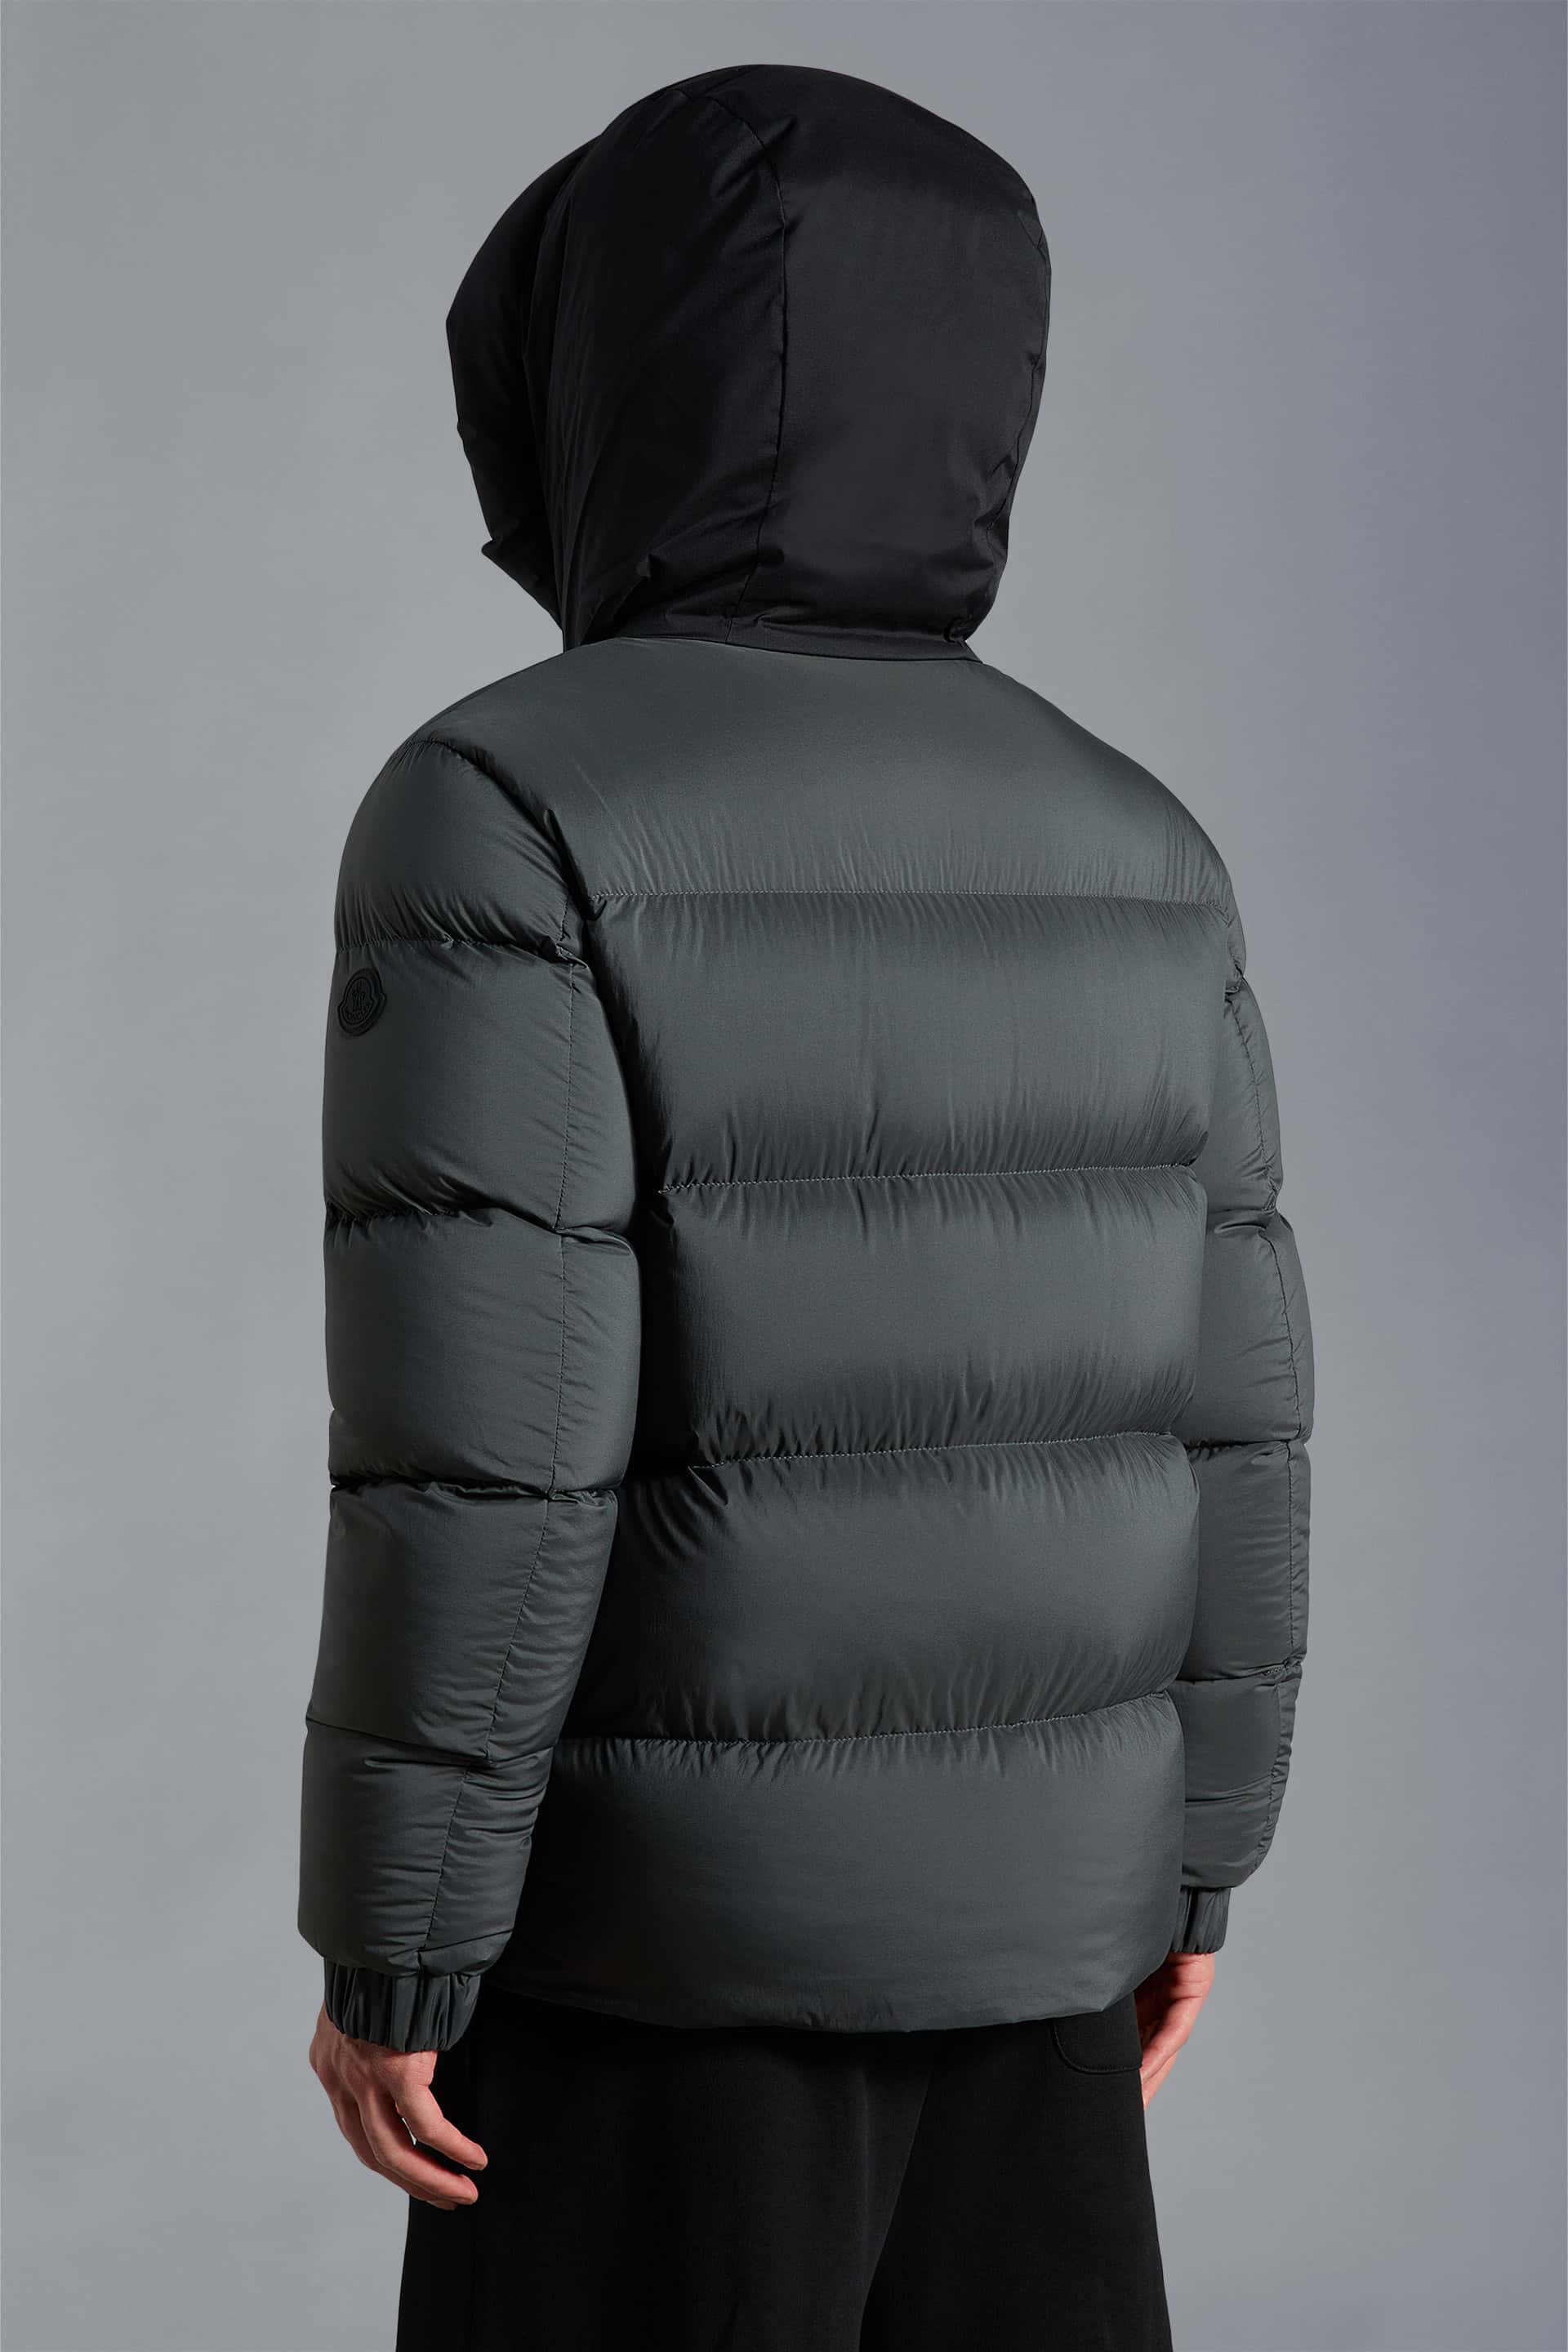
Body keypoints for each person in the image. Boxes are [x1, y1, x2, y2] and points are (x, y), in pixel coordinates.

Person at [299, 60, 1312, 2352]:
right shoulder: (1141, 836)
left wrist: (400, 1944)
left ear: (592, 372)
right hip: (1052, 1951)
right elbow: (1241, 1413)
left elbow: (489, 1451)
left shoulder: (505, 802)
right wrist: (1197, 1871)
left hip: (653, 1974)